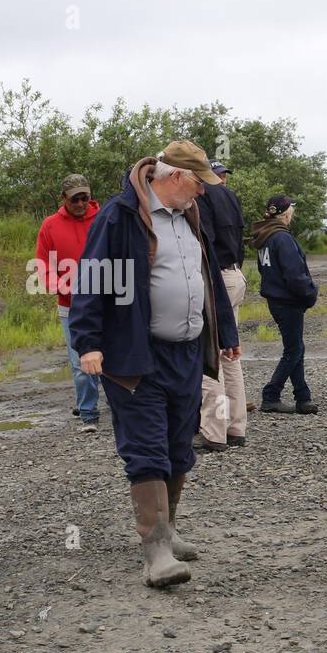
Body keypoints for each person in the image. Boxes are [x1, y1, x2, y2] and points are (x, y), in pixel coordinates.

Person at [68, 140, 240, 588]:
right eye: (198, 184)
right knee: (146, 447)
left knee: (179, 444)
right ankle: (156, 551)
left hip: (186, 352)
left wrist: (226, 333)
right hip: (136, 355)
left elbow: (207, 278)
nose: (203, 192)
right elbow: (91, 279)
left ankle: (169, 530)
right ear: (176, 177)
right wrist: (87, 343)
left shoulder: (190, 218)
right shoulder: (121, 217)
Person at [35, 174, 101, 431]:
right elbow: (43, 265)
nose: (81, 203)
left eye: (85, 197)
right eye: (75, 199)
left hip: (105, 302)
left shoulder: (102, 218)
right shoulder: (50, 226)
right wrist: (62, 287)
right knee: (80, 361)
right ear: (63, 199)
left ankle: (121, 408)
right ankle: (88, 412)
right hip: (70, 306)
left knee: (113, 358)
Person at [195, 160, 248, 452]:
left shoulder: (201, 195)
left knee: (210, 354)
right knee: (230, 353)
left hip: (215, 278)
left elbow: (205, 243)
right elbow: (239, 241)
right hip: (235, 274)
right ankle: (235, 426)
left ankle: (214, 432)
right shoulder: (230, 196)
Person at [252, 196, 319, 414]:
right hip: (288, 301)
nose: (293, 215)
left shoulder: (265, 236)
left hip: (276, 300)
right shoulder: (281, 238)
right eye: (292, 211)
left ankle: (303, 397)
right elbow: (294, 275)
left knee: (295, 348)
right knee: (294, 350)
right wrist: (310, 295)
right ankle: (271, 394)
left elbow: (264, 270)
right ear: (286, 214)